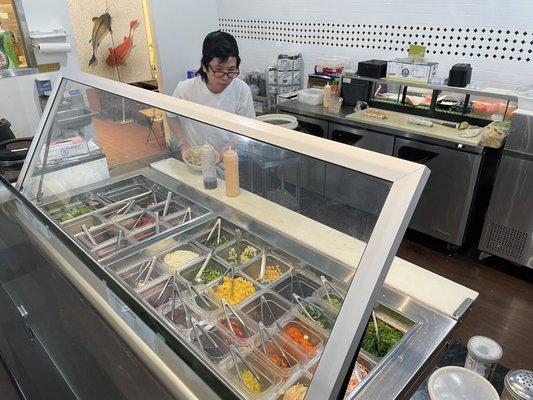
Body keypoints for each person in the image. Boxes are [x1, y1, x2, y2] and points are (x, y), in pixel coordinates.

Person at [169, 31, 255, 156]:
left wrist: (231, 145)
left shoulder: (241, 90)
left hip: (230, 159)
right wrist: (183, 142)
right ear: (204, 66)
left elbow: (247, 127)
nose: (225, 77)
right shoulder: (186, 89)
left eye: (231, 70)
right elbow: (171, 116)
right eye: (219, 70)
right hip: (198, 160)